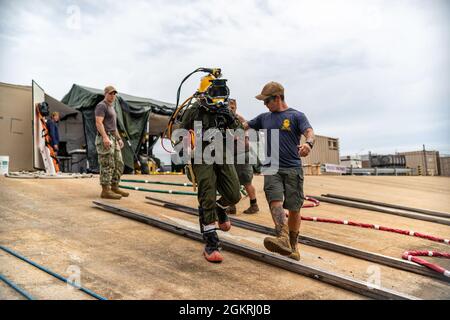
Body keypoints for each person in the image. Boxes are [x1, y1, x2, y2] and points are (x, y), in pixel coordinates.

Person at [238, 81, 315, 260]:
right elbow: (244, 125)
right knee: (275, 201)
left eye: (267, 101)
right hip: (272, 168)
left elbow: (310, 132)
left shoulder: (296, 116)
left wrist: (308, 144)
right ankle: (282, 237)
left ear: (278, 98)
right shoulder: (264, 117)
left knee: (294, 209)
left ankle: (293, 246)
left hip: (293, 169)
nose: (265, 104)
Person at [179, 79, 241, 263]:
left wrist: (231, 119)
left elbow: (238, 132)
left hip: (222, 154)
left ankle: (220, 208)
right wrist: (185, 148)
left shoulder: (225, 111)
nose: (218, 98)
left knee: (234, 194)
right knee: (207, 195)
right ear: (204, 93)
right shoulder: (194, 111)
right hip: (201, 157)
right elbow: (179, 132)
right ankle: (211, 242)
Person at [94, 85, 129, 200]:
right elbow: (99, 123)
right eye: (110, 93)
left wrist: (119, 138)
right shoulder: (101, 106)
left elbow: (113, 127)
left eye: (114, 94)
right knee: (107, 163)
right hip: (105, 137)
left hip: (113, 138)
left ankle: (114, 186)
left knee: (119, 163)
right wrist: (104, 137)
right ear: (105, 94)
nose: (112, 95)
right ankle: (105, 190)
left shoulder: (111, 107)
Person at [226, 99, 259, 215]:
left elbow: (236, 135)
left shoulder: (238, 119)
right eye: (229, 107)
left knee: (246, 182)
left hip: (240, 154)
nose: (231, 109)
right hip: (233, 155)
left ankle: (254, 205)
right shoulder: (227, 119)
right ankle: (231, 206)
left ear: (235, 107)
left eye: (233, 107)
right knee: (231, 181)